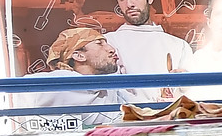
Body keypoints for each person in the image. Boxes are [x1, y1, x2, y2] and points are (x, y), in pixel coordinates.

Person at [97, 0, 193, 83]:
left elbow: (191, 93)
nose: (129, 4)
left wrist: (184, 84)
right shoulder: (108, 43)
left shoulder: (179, 46)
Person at [8, 26, 138, 110]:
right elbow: (13, 99)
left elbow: (142, 109)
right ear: (79, 55)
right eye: (99, 44)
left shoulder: (113, 90)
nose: (111, 49)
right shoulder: (51, 86)